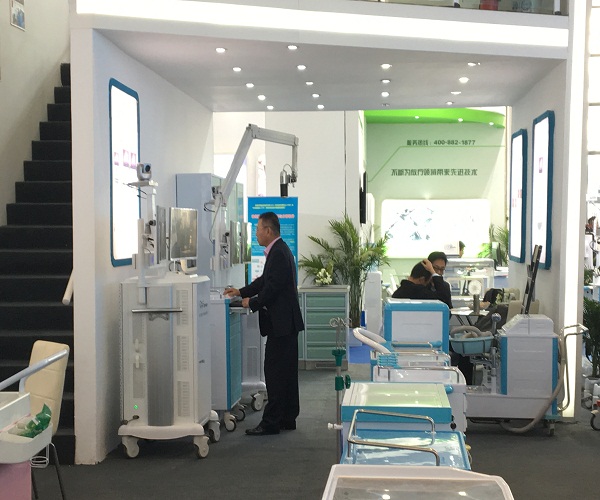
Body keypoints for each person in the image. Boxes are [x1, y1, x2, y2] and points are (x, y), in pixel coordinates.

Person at [224, 212, 304, 436]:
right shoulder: (279, 250)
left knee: (275, 372)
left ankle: (270, 423)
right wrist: (241, 292)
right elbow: (264, 282)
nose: (256, 234)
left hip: (282, 324)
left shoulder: (278, 252)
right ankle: (287, 417)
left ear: (268, 231)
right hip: (286, 323)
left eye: (258, 229)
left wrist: (253, 302)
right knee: (286, 373)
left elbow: (272, 287)